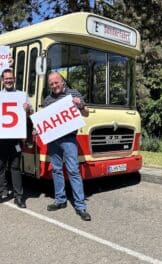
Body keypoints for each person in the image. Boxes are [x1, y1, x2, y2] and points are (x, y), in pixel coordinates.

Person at [42, 72, 91, 221]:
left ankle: (81, 207)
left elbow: (86, 113)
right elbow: (45, 121)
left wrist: (80, 105)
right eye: (51, 84)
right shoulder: (47, 100)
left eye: (56, 83)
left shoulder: (73, 94)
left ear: (62, 82)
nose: (54, 86)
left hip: (69, 139)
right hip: (53, 140)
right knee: (56, 170)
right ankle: (60, 200)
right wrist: (39, 129)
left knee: (73, 171)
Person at [0, 68, 32, 209]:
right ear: (2, 80)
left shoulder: (22, 95)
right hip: (1, 138)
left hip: (15, 139)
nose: (8, 80)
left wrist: (27, 109)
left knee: (15, 167)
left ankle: (19, 197)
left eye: (10, 78)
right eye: (6, 78)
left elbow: (27, 116)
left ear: (14, 79)